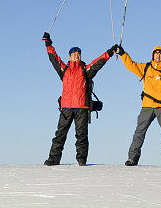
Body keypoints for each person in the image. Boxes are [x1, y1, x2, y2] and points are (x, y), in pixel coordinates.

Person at [42, 31, 116, 166]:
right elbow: (54, 58)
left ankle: (82, 160)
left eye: (78, 54)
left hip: (82, 107)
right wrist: (48, 44)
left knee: (81, 136)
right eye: (74, 54)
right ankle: (53, 159)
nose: (76, 56)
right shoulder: (64, 69)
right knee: (60, 135)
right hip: (66, 108)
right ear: (69, 56)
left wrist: (110, 52)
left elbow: (98, 63)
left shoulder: (85, 70)